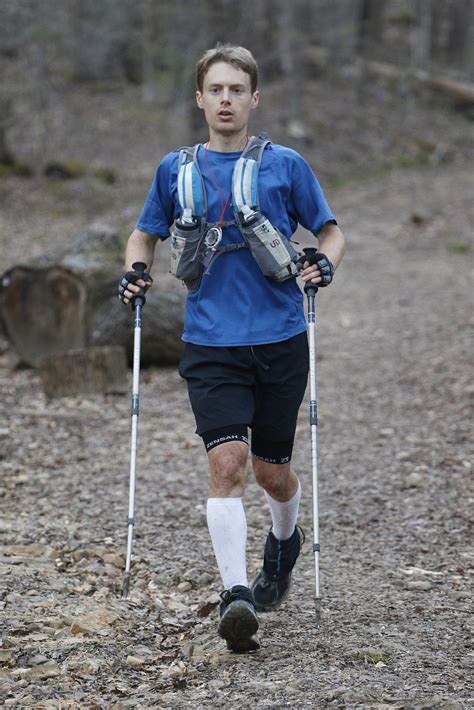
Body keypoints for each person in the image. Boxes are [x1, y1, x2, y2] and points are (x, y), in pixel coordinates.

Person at [119, 44, 345, 653]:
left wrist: (324, 263)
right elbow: (144, 232)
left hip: (278, 340)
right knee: (226, 466)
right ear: (200, 98)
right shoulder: (176, 170)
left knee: (272, 473)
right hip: (209, 343)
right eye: (215, 89)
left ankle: (285, 540)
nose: (225, 99)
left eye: (235, 90)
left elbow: (329, 229)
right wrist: (135, 271)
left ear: (253, 99)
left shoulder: (285, 165)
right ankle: (236, 595)